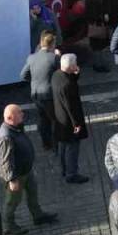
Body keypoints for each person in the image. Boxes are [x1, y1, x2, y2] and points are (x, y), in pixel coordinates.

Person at [0, 105, 56, 234]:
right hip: (16, 176)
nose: (22, 114)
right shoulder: (6, 137)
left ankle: (38, 215)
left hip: (26, 171)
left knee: (32, 193)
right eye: (19, 113)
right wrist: (12, 179)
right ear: (10, 118)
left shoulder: (15, 127)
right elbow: (6, 160)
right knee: (12, 201)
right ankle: (8, 225)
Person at [51, 53, 89, 183]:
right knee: (72, 147)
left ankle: (64, 169)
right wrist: (76, 124)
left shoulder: (56, 75)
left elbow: (70, 79)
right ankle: (72, 173)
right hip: (69, 121)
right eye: (75, 64)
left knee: (63, 145)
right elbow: (71, 107)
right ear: (71, 66)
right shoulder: (68, 85)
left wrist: (76, 74)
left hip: (60, 117)